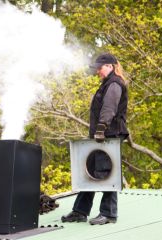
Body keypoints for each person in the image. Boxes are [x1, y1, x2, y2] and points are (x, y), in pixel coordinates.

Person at [61, 53, 129, 225]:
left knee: (108, 173)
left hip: (108, 135)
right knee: (89, 171)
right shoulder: (106, 84)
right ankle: (80, 211)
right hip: (101, 136)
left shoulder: (114, 84)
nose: (97, 71)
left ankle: (109, 214)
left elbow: (109, 107)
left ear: (110, 66)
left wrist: (101, 128)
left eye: (100, 67)